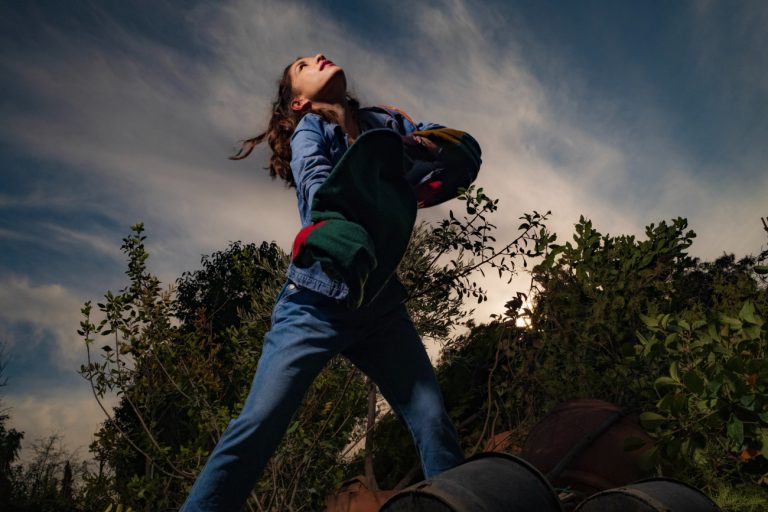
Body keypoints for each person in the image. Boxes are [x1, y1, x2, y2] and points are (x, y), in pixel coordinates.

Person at [180, 53, 480, 511]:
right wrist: (359, 187)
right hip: (314, 301)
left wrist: (418, 149)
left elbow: (454, 149)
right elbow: (317, 187)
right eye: (303, 65)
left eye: (316, 56)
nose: (317, 57)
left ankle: (460, 505)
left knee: (432, 419)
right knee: (259, 423)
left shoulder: (386, 121)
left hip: (379, 306)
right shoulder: (309, 132)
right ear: (298, 102)